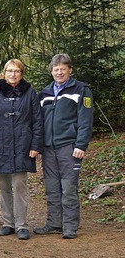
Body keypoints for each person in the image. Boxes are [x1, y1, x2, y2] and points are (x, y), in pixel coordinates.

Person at [0, 59, 44, 240]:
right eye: (9, 71)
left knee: (20, 185)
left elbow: (37, 121)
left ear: (21, 73)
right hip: (0, 145)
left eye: (16, 71)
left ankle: (22, 225)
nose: (13, 74)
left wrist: (35, 146)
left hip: (23, 145)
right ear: (4, 73)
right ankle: (8, 223)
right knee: (3, 186)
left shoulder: (30, 93)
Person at [34, 54, 93, 239]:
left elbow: (86, 120)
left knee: (68, 188)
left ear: (70, 70)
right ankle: (54, 223)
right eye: (56, 69)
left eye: (62, 69)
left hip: (69, 147)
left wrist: (81, 144)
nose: (59, 72)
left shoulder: (81, 90)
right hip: (48, 148)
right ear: (51, 71)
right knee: (52, 188)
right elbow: (38, 122)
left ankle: (69, 227)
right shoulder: (44, 93)